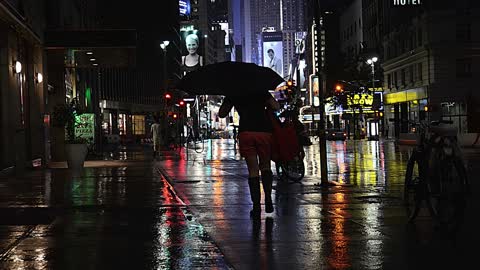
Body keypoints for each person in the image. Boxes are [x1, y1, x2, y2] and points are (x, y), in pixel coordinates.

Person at [218, 92, 280, 218]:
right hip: (264, 131)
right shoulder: (260, 89)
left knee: (253, 170)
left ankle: (256, 206)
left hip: (246, 131)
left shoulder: (234, 92)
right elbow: (276, 106)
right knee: (265, 165)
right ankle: (268, 198)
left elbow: (222, 113)